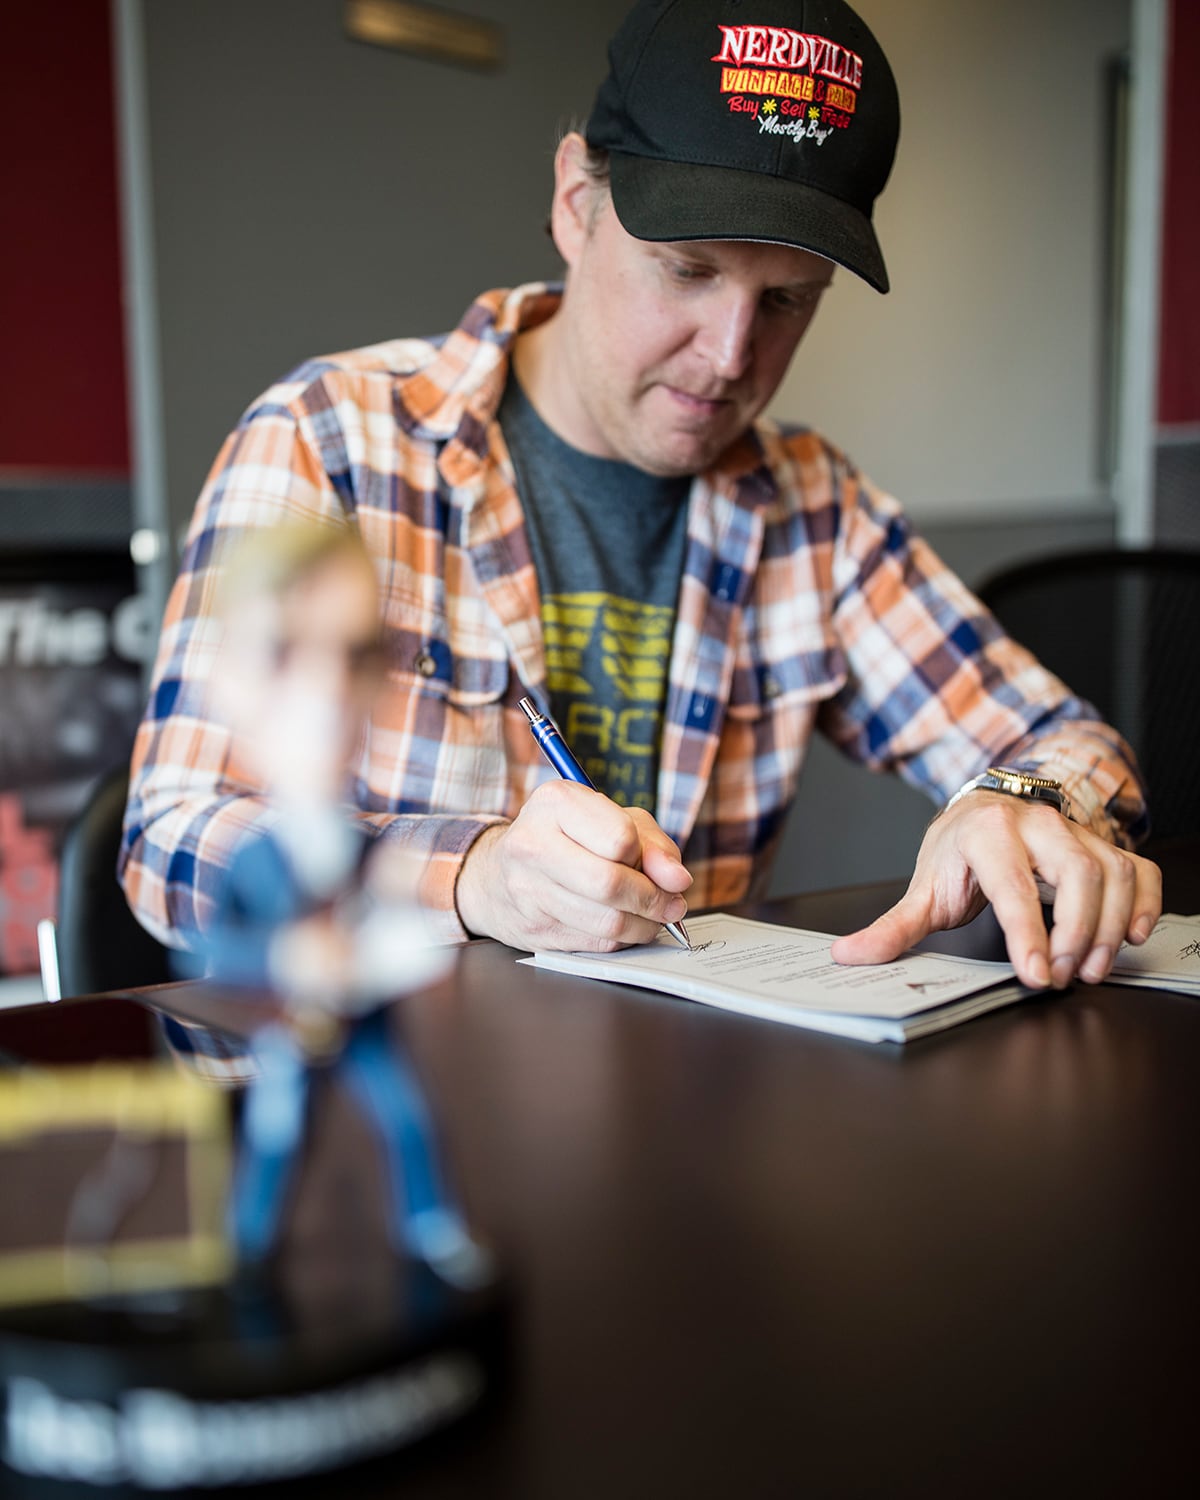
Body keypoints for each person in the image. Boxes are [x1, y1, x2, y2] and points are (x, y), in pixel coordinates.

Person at [121, 0, 1161, 995]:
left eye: (787, 300)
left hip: (683, 1111)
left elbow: (1069, 741)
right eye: (686, 270)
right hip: (388, 1113)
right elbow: (172, 840)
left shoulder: (815, 508)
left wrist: (1022, 801)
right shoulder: (330, 440)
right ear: (576, 202)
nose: (729, 356)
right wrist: (471, 876)